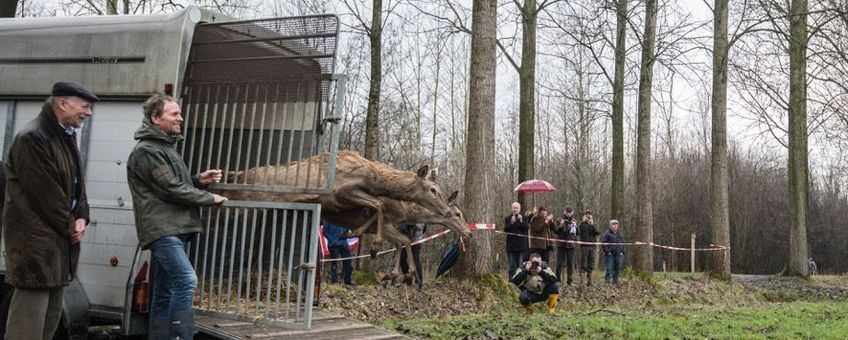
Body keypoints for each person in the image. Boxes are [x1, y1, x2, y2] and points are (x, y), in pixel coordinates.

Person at [127, 94, 227, 340]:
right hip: (163, 229)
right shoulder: (148, 151)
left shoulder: (164, 147)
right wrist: (209, 198)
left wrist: (198, 180)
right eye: (174, 114)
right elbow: (170, 189)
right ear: (155, 118)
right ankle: (180, 336)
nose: (180, 118)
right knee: (186, 280)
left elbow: (173, 184)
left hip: (172, 228)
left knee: (164, 290)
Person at [2, 82, 95, 340]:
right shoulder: (33, 137)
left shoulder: (64, 134)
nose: (88, 113)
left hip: (55, 245)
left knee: (49, 322)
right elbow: (46, 195)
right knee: (28, 325)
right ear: (62, 104)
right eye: (85, 106)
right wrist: (70, 225)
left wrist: (82, 216)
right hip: (35, 246)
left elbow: (77, 183)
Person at [554, 206, 579, 285]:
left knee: (570, 263)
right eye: (567, 212)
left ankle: (570, 281)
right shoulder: (560, 220)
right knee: (559, 263)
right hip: (561, 245)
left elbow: (578, 233)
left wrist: (576, 227)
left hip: (570, 246)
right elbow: (557, 231)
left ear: (572, 213)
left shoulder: (574, 221)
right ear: (564, 212)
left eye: (570, 212)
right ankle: (558, 280)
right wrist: (561, 225)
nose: (568, 214)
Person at [504, 202, 528, 279]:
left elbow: (526, 228)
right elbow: (506, 230)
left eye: (517, 208)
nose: (515, 209)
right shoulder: (508, 218)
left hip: (521, 245)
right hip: (511, 245)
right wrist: (511, 222)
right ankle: (511, 281)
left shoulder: (524, 218)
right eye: (514, 208)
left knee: (520, 264)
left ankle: (520, 280)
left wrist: (521, 221)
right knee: (511, 264)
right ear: (512, 209)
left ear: (519, 209)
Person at [399, 223, 427, 290]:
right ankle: (408, 279)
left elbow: (422, 228)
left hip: (415, 241)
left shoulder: (420, 218)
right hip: (405, 241)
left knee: (415, 260)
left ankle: (418, 282)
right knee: (402, 260)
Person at [578, 210, 599, 286]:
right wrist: (583, 222)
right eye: (586, 215)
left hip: (592, 246)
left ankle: (589, 281)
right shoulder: (582, 224)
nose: (588, 217)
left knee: (591, 263)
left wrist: (592, 224)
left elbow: (597, 232)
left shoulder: (592, 225)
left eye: (589, 215)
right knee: (583, 263)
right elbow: (578, 232)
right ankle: (582, 281)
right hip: (584, 246)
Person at [602, 220, 625, 285]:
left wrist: (622, 252)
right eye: (613, 224)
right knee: (609, 268)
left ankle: (615, 282)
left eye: (616, 225)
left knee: (617, 268)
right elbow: (604, 243)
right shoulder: (607, 233)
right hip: (610, 254)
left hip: (618, 254)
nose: (615, 226)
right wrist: (607, 251)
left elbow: (623, 243)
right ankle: (607, 282)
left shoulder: (619, 234)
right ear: (610, 225)